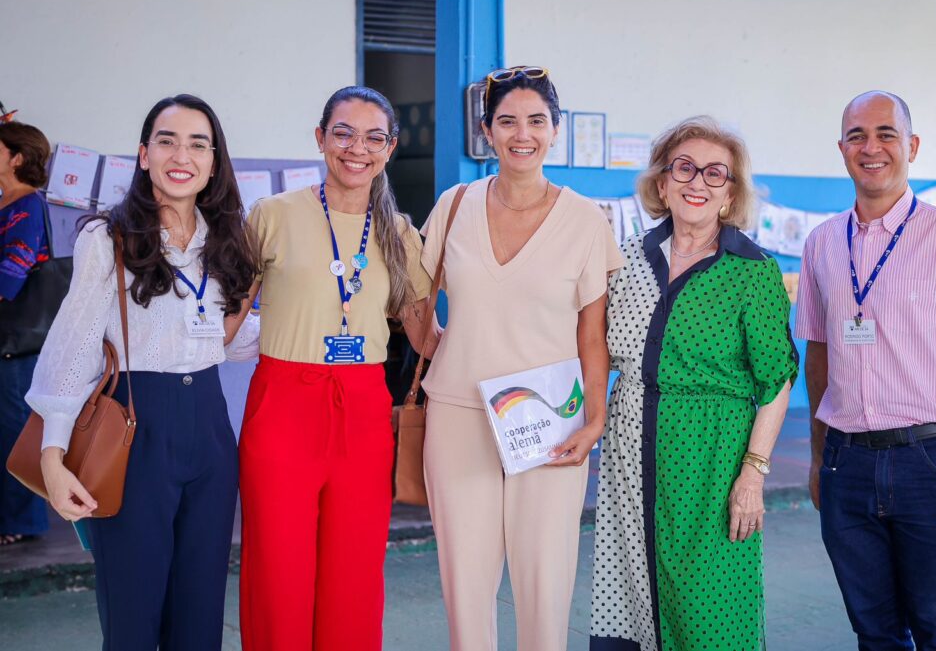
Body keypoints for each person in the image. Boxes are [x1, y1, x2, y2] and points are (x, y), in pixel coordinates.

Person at [26, 94, 259, 650]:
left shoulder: (226, 240)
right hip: (134, 426)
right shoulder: (107, 238)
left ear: (214, 160)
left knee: (200, 610)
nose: (183, 155)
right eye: (168, 140)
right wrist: (52, 457)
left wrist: (256, 302)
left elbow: (228, 345)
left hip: (210, 429)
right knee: (133, 611)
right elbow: (75, 346)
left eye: (198, 144)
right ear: (144, 154)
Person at [796, 91, 936, 650]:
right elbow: (820, 353)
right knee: (874, 634)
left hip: (934, 465)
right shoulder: (822, 244)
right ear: (842, 148)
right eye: (856, 136)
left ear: (912, 146)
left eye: (885, 134)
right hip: (846, 466)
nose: (870, 147)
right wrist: (822, 456)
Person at [420, 66, 623, 651]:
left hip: (550, 420)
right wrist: (439, 346)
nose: (522, 133)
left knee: (545, 584)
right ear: (487, 131)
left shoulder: (585, 220)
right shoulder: (454, 206)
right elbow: (416, 301)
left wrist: (595, 420)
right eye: (507, 121)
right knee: (466, 585)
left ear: (555, 130)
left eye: (536, 120)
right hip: (459, 414)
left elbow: (593, 334)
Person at [589, 115, 797, 651]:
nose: (697, 182)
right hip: (630, 451)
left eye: (714, 173)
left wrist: (752, 475)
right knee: (636, 596)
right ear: (662, 184)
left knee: (709, 607)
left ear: (730, 195)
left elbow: (776, 381)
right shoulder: (628, 258)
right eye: (684, 168)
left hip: (711, 459)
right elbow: (596, 347)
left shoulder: (753, 270)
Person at [238, 86, 434, 651]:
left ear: (391, 149)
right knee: (278, 568)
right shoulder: (272, 215)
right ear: (320, 138)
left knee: (354, 568)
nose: (358, 149)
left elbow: (426, 337)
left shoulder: (399, 233)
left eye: (375, 137)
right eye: (343, 132)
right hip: (282, 403)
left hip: (364, 408)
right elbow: (224, 316)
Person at [0, 121, 52, 546]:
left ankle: (22, 520)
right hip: (8, 338)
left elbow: (11, 277)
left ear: (16, 158)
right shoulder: (6, 205)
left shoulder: (28, 206)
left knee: (14, 426)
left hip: (17, 340)